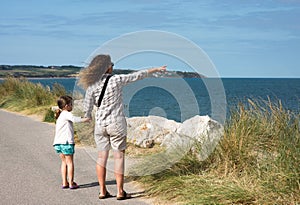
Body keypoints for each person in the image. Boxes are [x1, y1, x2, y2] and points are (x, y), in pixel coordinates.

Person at [79, 54, 166, 200]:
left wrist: (89, 115)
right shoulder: (116, 80)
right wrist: (155, 69)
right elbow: (137, 76)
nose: (113, 66)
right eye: (111, 64)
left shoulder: (91, 85)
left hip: (100, 125)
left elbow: (86, 110)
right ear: (107, 67)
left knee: (101, 158)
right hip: (116, 124)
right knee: (119, 157)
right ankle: (120, 191)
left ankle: (102, 191)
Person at [53, 95, 90, 189]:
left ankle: (64, 182)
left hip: (58, 143)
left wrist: (81, 117)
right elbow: (75, 119)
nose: (72, 106)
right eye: (71, 104)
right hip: (66, 142)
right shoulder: (66, 113)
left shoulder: (61, 115)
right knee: (70, 162)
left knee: (64, 162)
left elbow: (72, 118)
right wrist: (86, 119)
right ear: (66, 106)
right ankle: (71, 182)